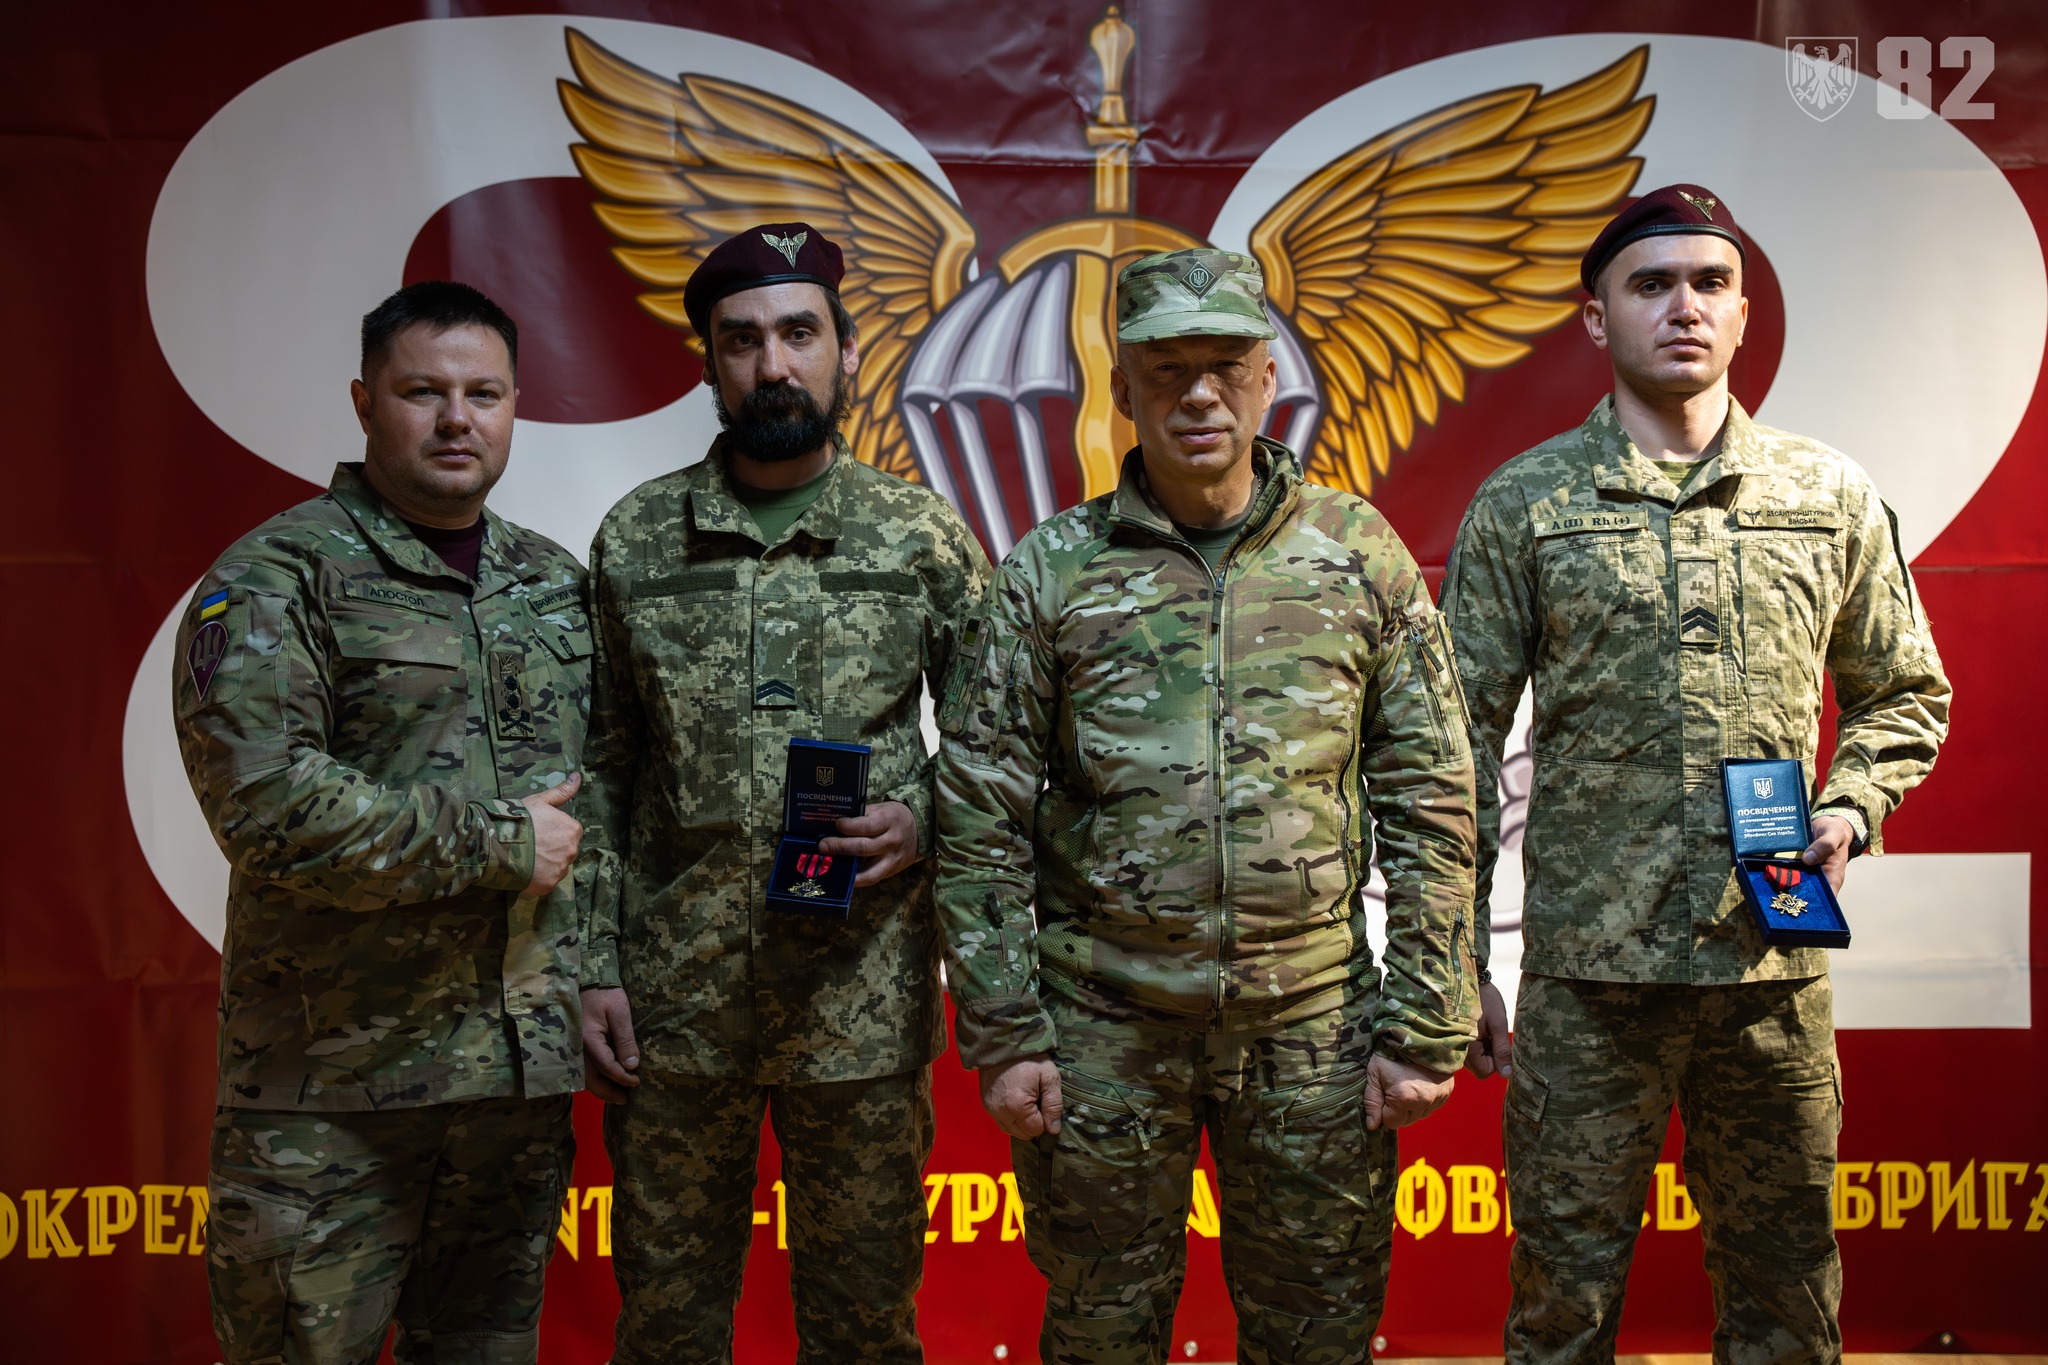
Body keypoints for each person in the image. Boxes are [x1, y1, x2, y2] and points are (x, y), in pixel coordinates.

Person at [934, 247, 1480, 1365]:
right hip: (1102, 1035)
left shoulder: (1356, 554)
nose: (1197, 395)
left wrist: (1428, 1015)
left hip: (1312, 1030)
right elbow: (980, 810)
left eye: (1224, 366)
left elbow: (1431, 794)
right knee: (1099, 1337)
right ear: (1120, 388)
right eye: (1166, 369)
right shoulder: (1051, 570)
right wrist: (1003, 1029)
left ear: (1267, 378)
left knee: (1316, 1338)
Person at [1442, 184, 1952, 1362]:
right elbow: (1448, 741)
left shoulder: (1824, 497)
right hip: (1587, 989)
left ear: (1741, 312)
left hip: (1766, 977)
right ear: (1595, 317)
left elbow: (1903, 693)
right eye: (1651, 285)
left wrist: (1847, 806)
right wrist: (1456, 960)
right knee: (1560, 1307)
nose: (1683, 307)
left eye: (1709, 283)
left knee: (1785, 1301)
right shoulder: (1527, 505)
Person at [578, 222, 990, 1364]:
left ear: (847, 353)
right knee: (666, 1327)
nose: (773, 364)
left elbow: (1002, 744)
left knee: (863, 1327)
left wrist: (923, 817)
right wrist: (592, 964)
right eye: (742, 340)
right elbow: (600, 768)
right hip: (673, 1008)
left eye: (799, 334)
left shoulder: (917, 537)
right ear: (709, 364)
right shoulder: (638, 539)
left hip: (858, 1002)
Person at [174, 280, 592, 1365]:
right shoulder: (275, 577)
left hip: (512, 1092)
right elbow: (265, 801)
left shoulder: (552, 584)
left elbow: (601, 806)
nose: (457, 418)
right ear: (365, 402)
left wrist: (599, 980)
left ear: (514, 407)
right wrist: (499, 842)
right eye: (423, 392)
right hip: (332, 1100)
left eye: (483, 393)